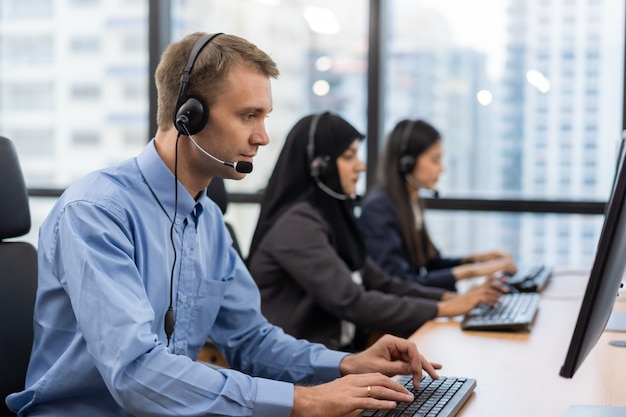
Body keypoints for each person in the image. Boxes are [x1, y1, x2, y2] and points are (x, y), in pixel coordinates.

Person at [6, 33, 441, 417]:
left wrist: (347, 364)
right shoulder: (96, 213)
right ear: (188, 115)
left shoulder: (207, 220)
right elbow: (136, 374)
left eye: (265, 117)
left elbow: (251, 341)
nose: (263, 137)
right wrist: (306, 401)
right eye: (249, 116)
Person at [246, 111, 506, 352]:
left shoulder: (332, 218)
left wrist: (449, 298)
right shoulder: (297, 226)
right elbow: (352, 301)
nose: (361, 166)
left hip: (338, 352)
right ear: (320, 166)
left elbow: (383, 282)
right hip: (300, 366)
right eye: (349, 157)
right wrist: (443, 308)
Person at [358, 119, 517, 292]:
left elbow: (432, 263)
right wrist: (471, 272)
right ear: (407, 163)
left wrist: (475, 259)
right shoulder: (379, 208)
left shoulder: (411, 202)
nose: (442, 169)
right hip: (392, 315)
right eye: (435, 160)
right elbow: (398, 282)